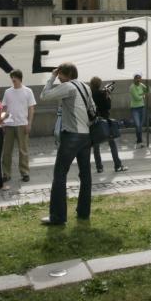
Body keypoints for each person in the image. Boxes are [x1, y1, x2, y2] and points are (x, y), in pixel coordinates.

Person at [40, 62, 94, 226]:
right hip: (86, 136)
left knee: (60, 174)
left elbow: (44, 95)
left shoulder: (68, 87)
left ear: (65, 74)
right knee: (85, 176)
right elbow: (92, 108)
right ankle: (83, 212)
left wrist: (52, 77)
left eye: (60, 75)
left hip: (72, 136)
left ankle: (58, 216)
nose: (59, 78)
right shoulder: (86, 87)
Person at [0, 69, 37, 183]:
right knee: (6, 151)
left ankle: (25, 172)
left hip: (22, 124)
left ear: (19, 78)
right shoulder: (7, 92)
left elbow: (31, 109)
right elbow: (4, 108)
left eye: (14, 77)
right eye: (11, 77)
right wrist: (2, 122)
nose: (12, 79)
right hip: (9, 124)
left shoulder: (28, 91)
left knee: (23, 150)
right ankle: (6, 174)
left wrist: (29, 123)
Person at [91, 77, 127, 174]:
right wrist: (108, 96)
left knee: (96, 146)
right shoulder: (103, 94)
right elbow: (108, 106)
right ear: (99, 84)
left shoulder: (89, 94)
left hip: (94, 122)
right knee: (112, 144)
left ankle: (99, 167)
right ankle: (117, 165)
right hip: (105, 121)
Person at [129, 72, 150, 148]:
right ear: (134, 79)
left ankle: (139, 141)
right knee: (137, 125)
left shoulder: (141, 85)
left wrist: (147, 85)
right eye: (136, 78)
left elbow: (148, 91)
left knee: (140, 126)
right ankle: (139, 140)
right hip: (134, 108)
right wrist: (143, 95)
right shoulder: (132, 87)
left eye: (139, 78)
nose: (138, 79)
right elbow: (136, 98)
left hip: (142, 107)